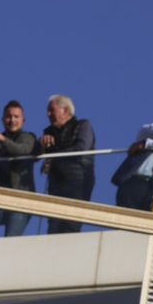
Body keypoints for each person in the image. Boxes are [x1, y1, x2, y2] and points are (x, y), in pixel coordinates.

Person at [0, 100, 41, 238]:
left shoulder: (28, 137)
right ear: (2, 120)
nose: (12, 120)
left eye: (16, 117)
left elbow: (22, 150)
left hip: (21, 197)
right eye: (8, 116)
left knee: (11, 237)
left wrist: (2, 140)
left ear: (23, 120)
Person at [40, 95, 96, 233]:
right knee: (53, 225)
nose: (48, 114)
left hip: (78, 181)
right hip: (56, 184)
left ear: (65, 110)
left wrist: (54, 158)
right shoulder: (49, 133)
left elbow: (82, 148)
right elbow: (37, 154)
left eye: (51, 110)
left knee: (71, 224)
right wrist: (40, 144)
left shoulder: (83, 125)